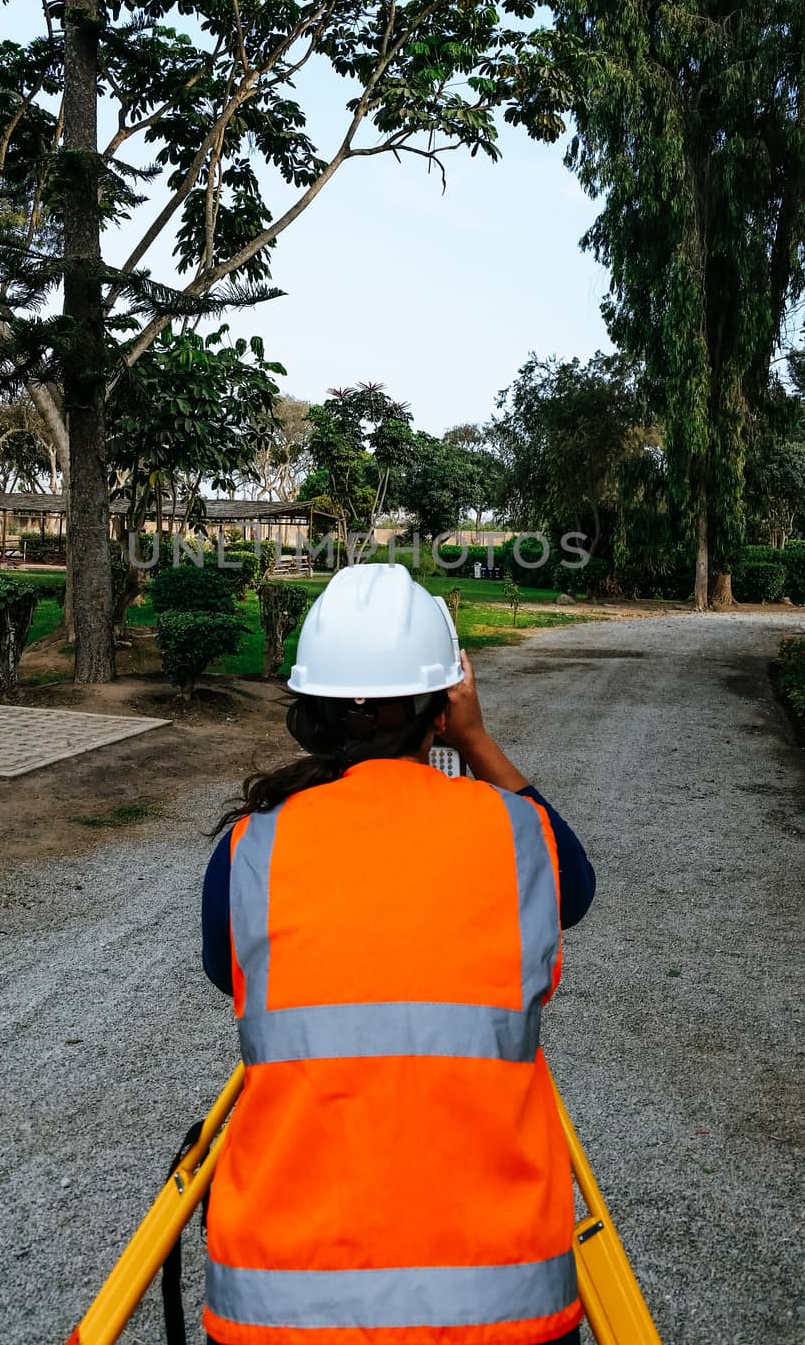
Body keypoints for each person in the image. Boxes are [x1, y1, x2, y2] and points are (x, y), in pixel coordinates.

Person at [201, 563, 595, 1345]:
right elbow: (575, 886)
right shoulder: (522, 839)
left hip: (278, 1304)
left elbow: (231, 975)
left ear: (311, 713)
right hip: (504, 1303)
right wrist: (479, 740)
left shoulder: (251, 849)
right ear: (442, 708)